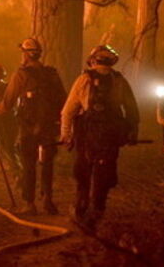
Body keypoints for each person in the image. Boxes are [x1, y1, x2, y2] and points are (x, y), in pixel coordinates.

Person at [60, 45, 140, 225]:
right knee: (106, 170)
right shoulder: (119, 80)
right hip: (111, 135)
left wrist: (66, 134)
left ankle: (80, 206)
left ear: (93, 60)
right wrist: (132, 133)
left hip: (87, 135)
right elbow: (132, 110)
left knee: (83, 171)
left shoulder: (84, 79)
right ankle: (98, 209)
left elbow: (68, 111)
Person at [0, 38, 67, 215]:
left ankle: (29, 204)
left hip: (29, 127)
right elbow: (63, 99)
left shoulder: (21, 74)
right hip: (49, 127)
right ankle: (47, 200)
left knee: (29, 164)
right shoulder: (52, 74)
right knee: (47, 164)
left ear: (26, 55)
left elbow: (7, 103)